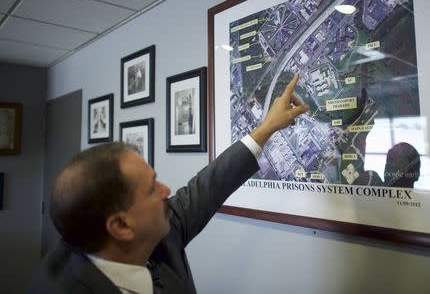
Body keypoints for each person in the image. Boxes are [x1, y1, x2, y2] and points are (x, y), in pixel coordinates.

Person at [28, 74, 309, 294]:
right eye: (151, 189)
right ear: (122, 226)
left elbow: (210, 186)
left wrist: (266, 128)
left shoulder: (157, 233)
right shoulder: (58, 288)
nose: (166, 191)